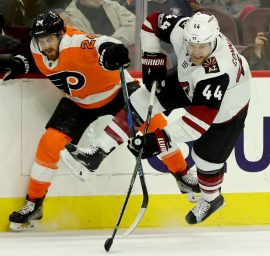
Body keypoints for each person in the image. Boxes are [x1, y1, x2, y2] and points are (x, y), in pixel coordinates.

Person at [0, 10, 198, 231]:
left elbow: (101, 43)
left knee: (156, 124)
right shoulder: (37, 48)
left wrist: (112, 51)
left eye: (50, 39)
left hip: (114, 92)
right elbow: (34, 61)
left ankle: (182, 175)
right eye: (41, 40)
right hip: (79, 102)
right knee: (50, 143)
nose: (46, 45)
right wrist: (15, 66)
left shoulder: (75, 42)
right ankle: (34, 203)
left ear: (61, 34)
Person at [125, 12, 251, 224]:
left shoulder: (219, 70)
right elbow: (152, 21)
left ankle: (211, 199)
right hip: (192, 81)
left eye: (202, 46)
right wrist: (152, 58)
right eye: (191, 45)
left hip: (228, 107)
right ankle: (99, 149)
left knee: (204, 158)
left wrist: (156, 141)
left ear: (214, 40)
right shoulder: (183, 30)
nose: (195, 51)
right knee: (143, 99)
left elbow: (195, 125)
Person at [65, 0, 136, 46]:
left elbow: (135, 26)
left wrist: (111, 41)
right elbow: (83, 43)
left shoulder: (113, 6)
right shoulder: (68, 16)